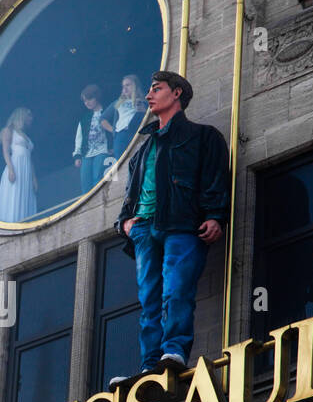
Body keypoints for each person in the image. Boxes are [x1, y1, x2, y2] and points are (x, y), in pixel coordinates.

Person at [112, 70, 230, 383]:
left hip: (182, 224)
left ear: (176, 93)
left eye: (156, 89)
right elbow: (130, 196)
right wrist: (125, 224)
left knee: (176, 290)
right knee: (150, 298)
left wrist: (216, 215)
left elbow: (216, 178)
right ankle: (150, 366)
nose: (149, 95)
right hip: (145, 229)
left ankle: (174, 350)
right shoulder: (142, 151)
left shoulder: (203, 137)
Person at [0, 107, 38, 222]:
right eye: (28, 115)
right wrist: (11, 169)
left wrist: (34, 179)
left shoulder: (25, 135)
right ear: (21, 115)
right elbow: (5, 151)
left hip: (26, 170)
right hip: (16, 167)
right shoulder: (9, 130)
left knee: (25, 197)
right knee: (15, 196)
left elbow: (30, 159)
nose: (31, 118)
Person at [100, 74, 148, 163]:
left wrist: (144, 110)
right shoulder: (118, 102)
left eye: (128, 85)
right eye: (123, 86)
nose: (125, 88)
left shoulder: (145, 100)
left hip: (137, 133)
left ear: (135, 86)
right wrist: (113, 130)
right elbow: (103, 118)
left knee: (140, 161)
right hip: (121, 135)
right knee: (122, 163)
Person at [72, 84, 111, 193]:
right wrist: (77, 155)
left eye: (89, 99)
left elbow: (113, 130)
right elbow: (79, 138)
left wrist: (111, 146)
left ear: (96, 97)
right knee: (85, 185)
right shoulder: (84, 118)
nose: (87, 103)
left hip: (102, 151)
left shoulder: (107, 111)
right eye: (84, 101)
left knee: (97, 180)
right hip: (86, 154)